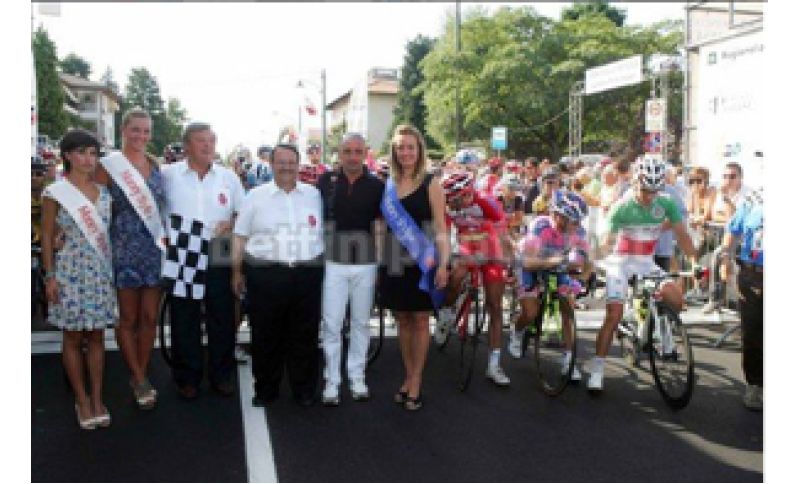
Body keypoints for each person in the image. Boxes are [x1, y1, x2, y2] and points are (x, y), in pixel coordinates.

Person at [589, 156, 698, 392]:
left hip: (646, 263)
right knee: (614, 315)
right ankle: (597, 369)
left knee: (676, 300)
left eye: (654, 191)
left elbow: (682, 235)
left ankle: (652, 328)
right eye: (645, 190)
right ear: (635, 183)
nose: (650, 196)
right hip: (621, 262)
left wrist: (694, 262)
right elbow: (605, 242)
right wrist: (599, 253)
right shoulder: (622, 206)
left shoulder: (666, 202)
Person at [232, 143, 324, 407]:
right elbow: (240, 236)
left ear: (298, 165)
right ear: (271, 164)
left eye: (291, 162)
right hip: (266, 275)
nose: (286, 167)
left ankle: (304, 389)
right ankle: (266, 389)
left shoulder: (313, 195)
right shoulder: (255, 196)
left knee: (304, 335)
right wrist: (236, 271)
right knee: (265, 335)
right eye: (281, 162)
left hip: (306, 274)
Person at [161, 122, 245, 400]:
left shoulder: (228, 178)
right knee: (184, 318)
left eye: (211, 140)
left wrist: (231, 223)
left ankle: (222, 375)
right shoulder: (168, 175)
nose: (207, 145)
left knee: (222, 317)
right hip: (183, 252)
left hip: (218, 251)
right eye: (200, 140)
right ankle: (187, 378)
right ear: (187, 146)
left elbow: (243, 214)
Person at [41, 129, 117, 429]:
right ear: (68, 156)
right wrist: (50, 276)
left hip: (99, 271)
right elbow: (47, 237)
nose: (88, 159)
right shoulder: (55, 193)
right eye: (81, 152)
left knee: (97, 336)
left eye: (93, 153)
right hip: (69, 272)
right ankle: (81, 399)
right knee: (72, 337)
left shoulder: (105, 193)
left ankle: (97, 398)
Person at [94, 108, 167, 409]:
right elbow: (95, 208)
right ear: (123, 130)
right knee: (128, 317)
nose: (141, 136)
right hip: (123, 248)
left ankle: (141, 368)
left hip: (152, 249)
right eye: (135, 129)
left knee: (149, 317)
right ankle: (138, 377)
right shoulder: (108, 166)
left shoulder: (155, 165)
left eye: (146, 131)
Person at [378, 124, 449, 411]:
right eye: (400, 147)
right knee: (402, 320)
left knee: (420, 320)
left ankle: (416, 379)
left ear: (419, 149)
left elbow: (441, 227)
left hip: (423, 261)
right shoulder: (388, 184)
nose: (405, 152)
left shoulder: (431, 183)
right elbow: (382, 226)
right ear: (394, 151)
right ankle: (408, 375)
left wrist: (443, 264)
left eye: (410, 147)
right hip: (394, 262)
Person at [316, 133, 385, 406]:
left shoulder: (377, 185)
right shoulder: (325, 182)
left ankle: (357, 376)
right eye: (347, 151)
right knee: (331, 325)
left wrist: (380, 263)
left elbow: (380, 226)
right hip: (333, 264)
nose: (353, 157)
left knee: (360, 324)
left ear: (365, 153)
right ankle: (332, 380)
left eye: (358, 151)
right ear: (340, 153)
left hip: (365, 265)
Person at [436, 170, 513, 386]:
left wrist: (508, 260)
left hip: (490, 246)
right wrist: (445, 262)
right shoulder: (447, 207)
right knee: (457, 273)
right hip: (466, 245)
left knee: (495, 306)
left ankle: (494, 364)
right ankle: (446, 312)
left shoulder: (486, 202)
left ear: (468, 193)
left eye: (456, 199)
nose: (453, 204)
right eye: (450, 200)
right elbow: (444, 236)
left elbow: (503, 234)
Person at [509, 190, 592, 382]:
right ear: (557, 216)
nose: (577, 225)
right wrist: (554, 261)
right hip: (529, 264)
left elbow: (585, 261)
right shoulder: (540, 226)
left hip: (555, 266)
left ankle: (569, 360)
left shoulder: (579, 231)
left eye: (579, 221)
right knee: (530, 312)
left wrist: (581, 277)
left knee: (567, 308)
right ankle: (518, 331)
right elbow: (528, 263)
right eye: (573, 221)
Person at [718, 189, 763, 410]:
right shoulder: (754, 200)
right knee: (753, 333)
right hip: (752, 276)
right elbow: (732, 230)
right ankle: (755, 385)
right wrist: (725, 257)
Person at [703, 162, 751, 313]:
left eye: (732, 176)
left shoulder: (747, 195)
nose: (728, 180)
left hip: (744, 239)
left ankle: (735, 300)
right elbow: (713, 215)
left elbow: (736, 219)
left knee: (722, 257)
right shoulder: (719, 193)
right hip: (726, 236)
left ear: (740, 178)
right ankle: (715, 298)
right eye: (725, 176)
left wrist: (727, 202)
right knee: (717, 257)